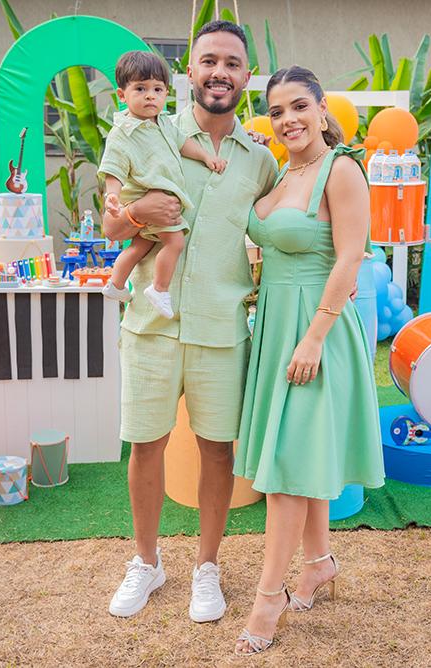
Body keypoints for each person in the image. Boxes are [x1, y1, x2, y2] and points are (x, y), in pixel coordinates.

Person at [101, 21, 278, 622]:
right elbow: (110, 228)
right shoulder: (146, 132)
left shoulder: (260, 162)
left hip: (221, 328)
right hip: (151, 326)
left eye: (232, 62)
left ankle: (208, 567)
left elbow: (288, 222)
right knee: (145, 444)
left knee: (216, 452)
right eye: (208, 61)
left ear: (245, 76)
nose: (219, 72)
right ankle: (147, 564)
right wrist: (136, 212)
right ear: (190, 72)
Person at [231, 66, 384, 656]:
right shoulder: (280, 172)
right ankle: (318, 562)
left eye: (299, 106)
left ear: (323, 110)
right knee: (300, 452)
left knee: (290, 467)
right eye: (276, 111)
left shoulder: (341, 171)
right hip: (274, 325)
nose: (288, 119)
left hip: (316, 326)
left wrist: (315, 336)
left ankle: (267, 603)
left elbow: (350, 259)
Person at [99, 50, 228, 319]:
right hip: (153, 198)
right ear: (122, 95)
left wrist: (206, 156)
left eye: (157, 89)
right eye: (141, 88)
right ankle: (159, 288)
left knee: (140, 246)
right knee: (175, 243)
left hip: (152, 203)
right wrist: (112, 196)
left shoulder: (165, 124)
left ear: (166, 92)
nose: (150, 96)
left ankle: (116, 284)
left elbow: (185, 145)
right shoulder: (123, 133)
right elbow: (114, 169)